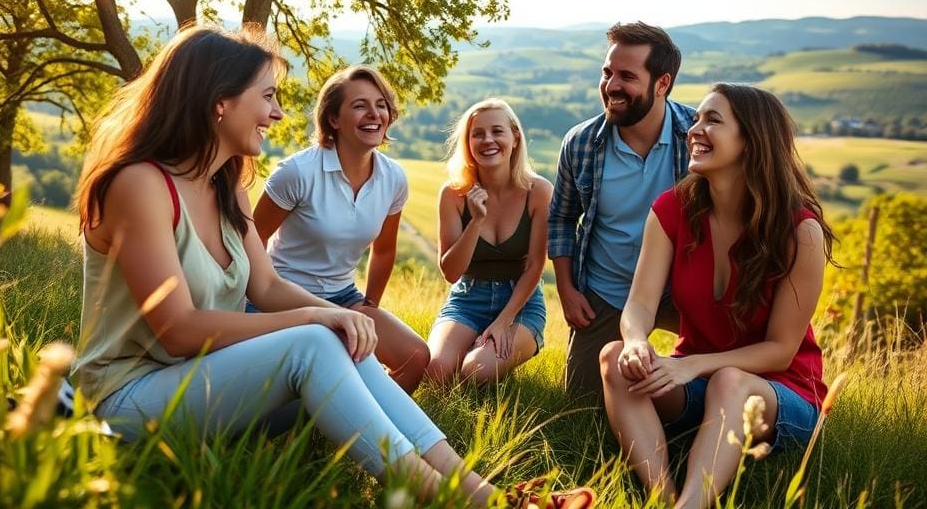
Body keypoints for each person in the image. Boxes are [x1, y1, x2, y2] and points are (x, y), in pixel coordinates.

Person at [70, 25, 594, 508]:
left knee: (343, 335)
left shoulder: (225, 183)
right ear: (219, 103)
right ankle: (465, 503)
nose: (276, 114)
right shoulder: (140, 184)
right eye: (268, 97)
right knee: (316, 338)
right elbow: (179, 331)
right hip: (129, 399)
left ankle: (485, 491)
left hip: (201, 387)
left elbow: (268, 285)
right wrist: (317, 318)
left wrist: (347, 315)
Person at [600, 84, 834, 509]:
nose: (695, 130)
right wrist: (636, 341)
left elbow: (780, 352)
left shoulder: (801, 232)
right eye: (696, 120)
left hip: (782, 396)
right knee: (615, 359)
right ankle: (664, 497)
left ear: (752, 141)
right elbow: (640, 305)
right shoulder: (672, 209)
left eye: (713, 121)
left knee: (729, 382)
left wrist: (693, 364)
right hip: (699, 383)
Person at [251, 65, 429, 393]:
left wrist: (369, 307)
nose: (374, 114)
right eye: (360, 105)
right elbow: (251, 239)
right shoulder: (297, 173)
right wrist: (258, 301)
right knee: (319, 372)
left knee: (415, 357)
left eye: (381, 104)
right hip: (284, 294)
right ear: (333, 119)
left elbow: (385, 249)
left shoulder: (393, 179)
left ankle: (360, 430)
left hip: (343, 296)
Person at [549, 22, 695, 398]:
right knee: (580, 409)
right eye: (607, 72)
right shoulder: (581, 143)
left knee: (706, 400)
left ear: (662, 84)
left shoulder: (698, 136)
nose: (611, 86)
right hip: (608, 291)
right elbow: (562, 219)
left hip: (683, 289)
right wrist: (566, 288)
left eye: (627, 76)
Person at [426, 99, 550, 386]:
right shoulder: (453, 194)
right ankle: (472, 345)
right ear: (468, 143)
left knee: (475, 371)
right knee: (435, 371)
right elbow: (450, 272)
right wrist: (476, 221)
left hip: (521, 304)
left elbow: (534, 266)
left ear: (514, 137)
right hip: (468, 298)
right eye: (477, 134)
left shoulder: (539, 191)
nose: (488, 140)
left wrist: (504, 321)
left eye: (497, 131)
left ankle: (483, 354)